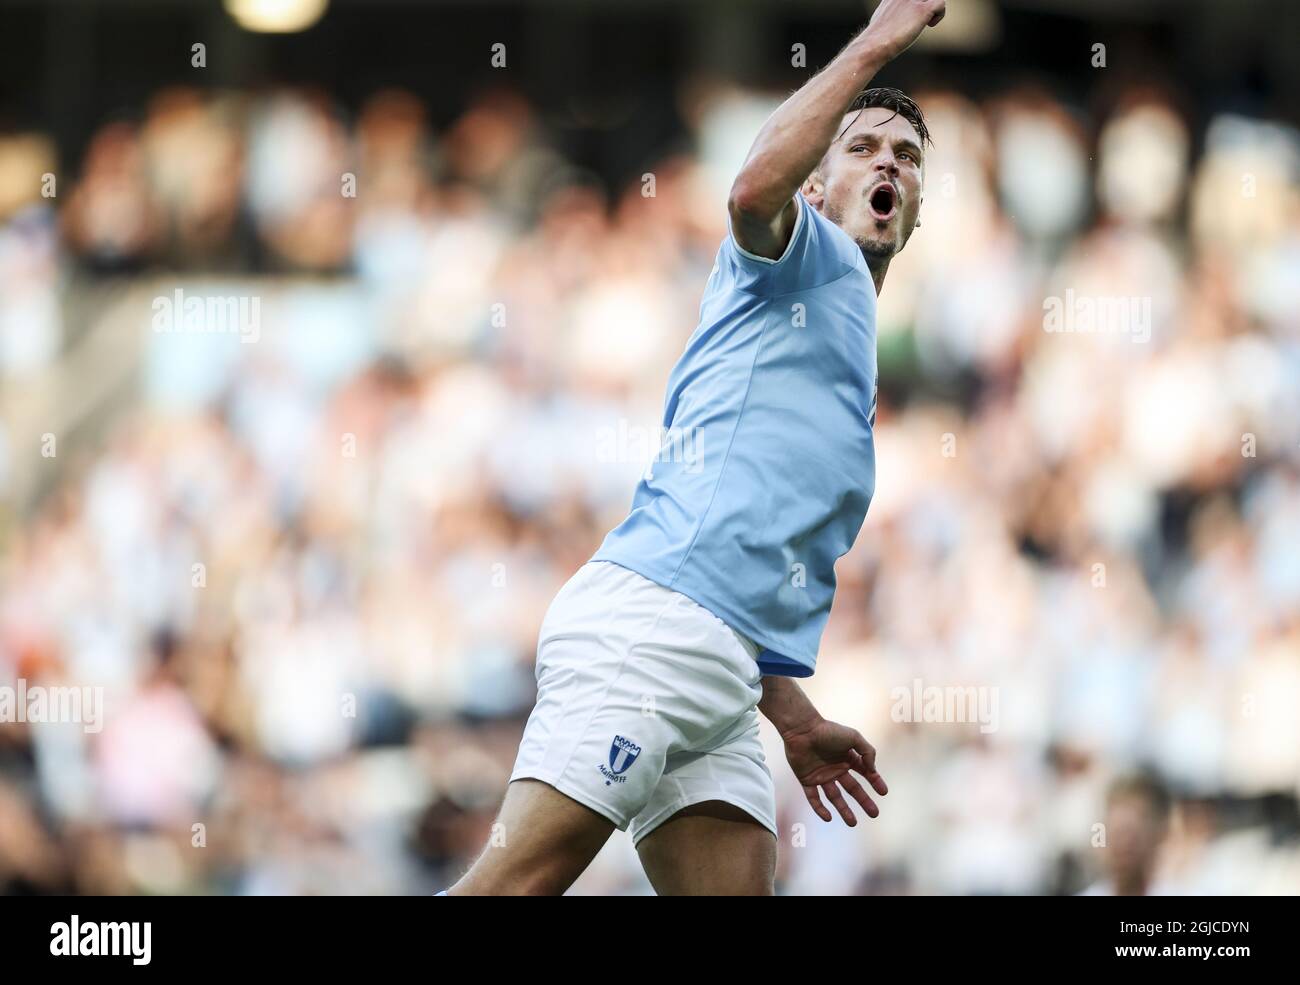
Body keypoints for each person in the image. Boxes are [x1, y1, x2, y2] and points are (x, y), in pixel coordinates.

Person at [447, 0, 947, 896]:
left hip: (719, 671)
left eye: (906, 157)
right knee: (512, 887)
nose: (888, 164)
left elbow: (746, 553)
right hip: (653, 635)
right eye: (863, 147)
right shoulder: (804, 252)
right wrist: (879, 40)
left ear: (917, 206)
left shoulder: (850, 329)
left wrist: (790, 717)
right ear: (818, 187)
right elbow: (751, 189)